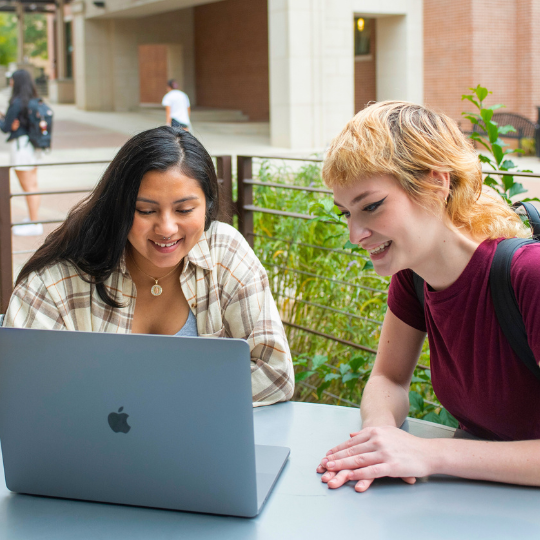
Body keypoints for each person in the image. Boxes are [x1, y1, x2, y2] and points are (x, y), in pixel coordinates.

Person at [316, 101, 540, 490]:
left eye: (371, 206)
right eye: (346, 214)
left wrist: (429, 453)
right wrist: (379, 437)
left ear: (437, 182)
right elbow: (388, 378)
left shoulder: (529, 275)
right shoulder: (413, 276)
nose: (355, 235)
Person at [3, 126, 294, 407]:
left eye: (184, 210)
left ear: (207, 206)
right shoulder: (56, 280)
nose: (166, 228)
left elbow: (275, 372)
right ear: (119, 207)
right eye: (146, 211)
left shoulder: (225, 252)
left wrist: (155, 409)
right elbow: (20, 389)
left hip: (200, 450)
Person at [0, 69, 43, 236]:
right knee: (33, 184)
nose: (10, 82)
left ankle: (34, 223)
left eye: (12, 79)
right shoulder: (30, 99)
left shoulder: (16, 102)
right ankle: (34, 219)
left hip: (20, 148)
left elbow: (5, 128)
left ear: (17, 82)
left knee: (28, 186)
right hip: (31, 146)